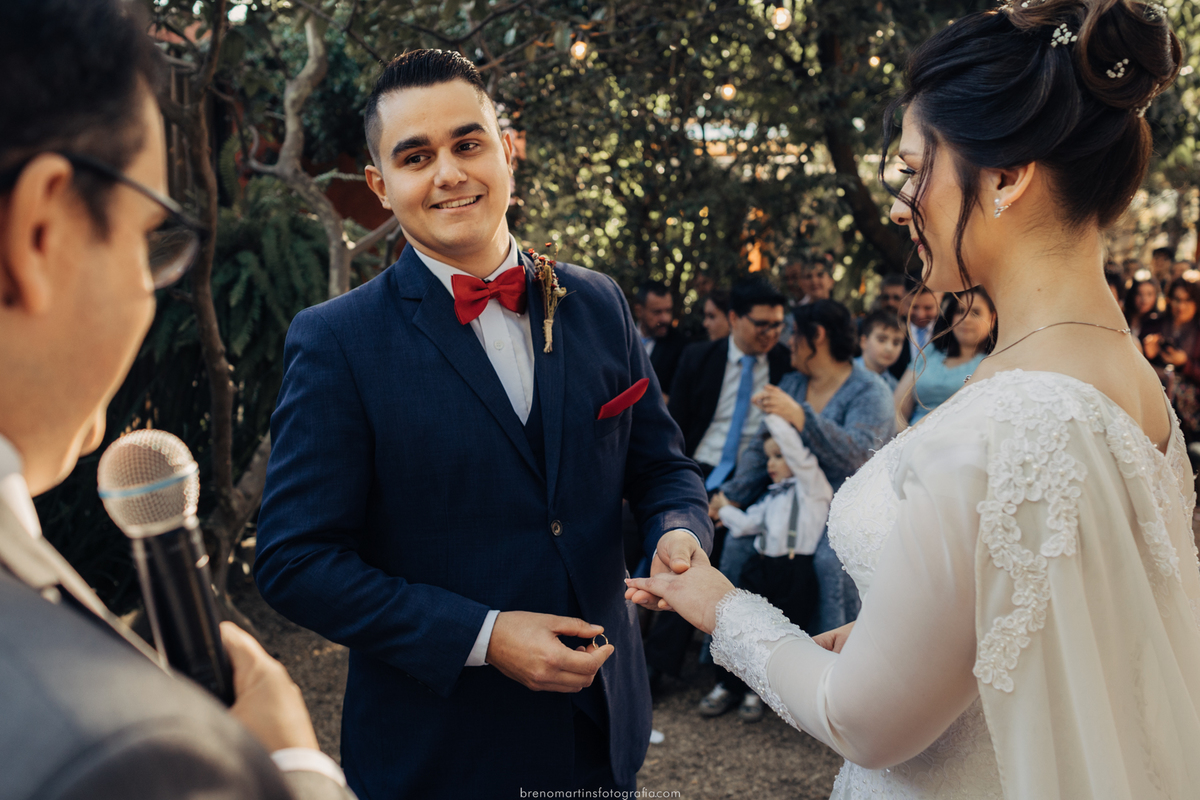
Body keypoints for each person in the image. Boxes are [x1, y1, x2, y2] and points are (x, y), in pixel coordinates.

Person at [627, 1, 1200, 798]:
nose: (899, 204)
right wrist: (911, 634)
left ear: (1005, 176)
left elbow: (863, 724)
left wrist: (720, 607)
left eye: (911, 169)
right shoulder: (1132, 386)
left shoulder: (1008, 421)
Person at [253, 50, 712, 800]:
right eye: (415, 156)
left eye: (468, 143)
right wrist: (485, 636)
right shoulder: (336, 342)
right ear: (381, 183)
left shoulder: (598, 303)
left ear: (508, 149)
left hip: (603, 730)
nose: (449, 173)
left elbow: (663, 468)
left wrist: (678, 530)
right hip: (442, 754)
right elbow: (295, 561)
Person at [0, 1, 353, 798]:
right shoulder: (121, 751)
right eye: (145, 237)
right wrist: (290, 770)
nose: (150, 292)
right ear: (42, 231)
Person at [641, 279, 791, 688]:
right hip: (697, 467)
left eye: (778, 324)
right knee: (661, 536)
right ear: (734, 319)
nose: (771, 333)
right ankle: (632, 649)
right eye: (761, 324)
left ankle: (663, 666)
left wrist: (734, 496)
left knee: (701, 552)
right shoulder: (699, 357)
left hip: (752, 477)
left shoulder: (785, 364)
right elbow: (676, 429)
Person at [714, 300, 895, 637]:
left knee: (829, 563)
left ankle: (830, 664)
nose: (788, 342)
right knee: (738, 545)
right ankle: (734, 662)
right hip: (787, 496)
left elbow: (859, 455)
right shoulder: (794, 383)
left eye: (795, 333)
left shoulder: (871, 391)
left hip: (845, 507)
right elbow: (760, 445)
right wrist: (732, 496)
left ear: (818, 336)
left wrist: (801, 416)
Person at [705, 416, 832, 722]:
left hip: (793, 571)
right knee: (744, 625)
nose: (770, 464)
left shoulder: (812, 489)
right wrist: (724, 510)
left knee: (778, 633)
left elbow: (798, 454)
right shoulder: (770, 498)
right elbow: (747, 524)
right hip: (760, 568)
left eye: (778, 456)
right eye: (768, 458)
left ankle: (757, 691)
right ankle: (727, 685)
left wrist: (772, 418)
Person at [894, 287, 997, 427]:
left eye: (975, 313)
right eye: (960, 311)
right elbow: (897, 409)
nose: (965, 319)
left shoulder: (995, 363)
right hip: (910, 439)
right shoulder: (930, 352)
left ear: (992, 319)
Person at [1143, 278, 1200, 447]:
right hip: (1156, 393)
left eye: (1187, 300)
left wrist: (1185, 363)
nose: (1180, 306)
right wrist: (1149, 355)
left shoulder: (1197, 331)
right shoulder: (1155, 325)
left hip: (1190, 406)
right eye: (1176, 299)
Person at [634, 280, 688, 397]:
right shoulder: (623, 337)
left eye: (668, 311)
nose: (666, 319)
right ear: (639, 311)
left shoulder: (680, 346)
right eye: (657, 312)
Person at [855, 310, 905, 390]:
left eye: (896, 343)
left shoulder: (895, 388)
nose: (889, 348)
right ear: (864, 342)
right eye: (881, 340)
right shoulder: (843, 372)